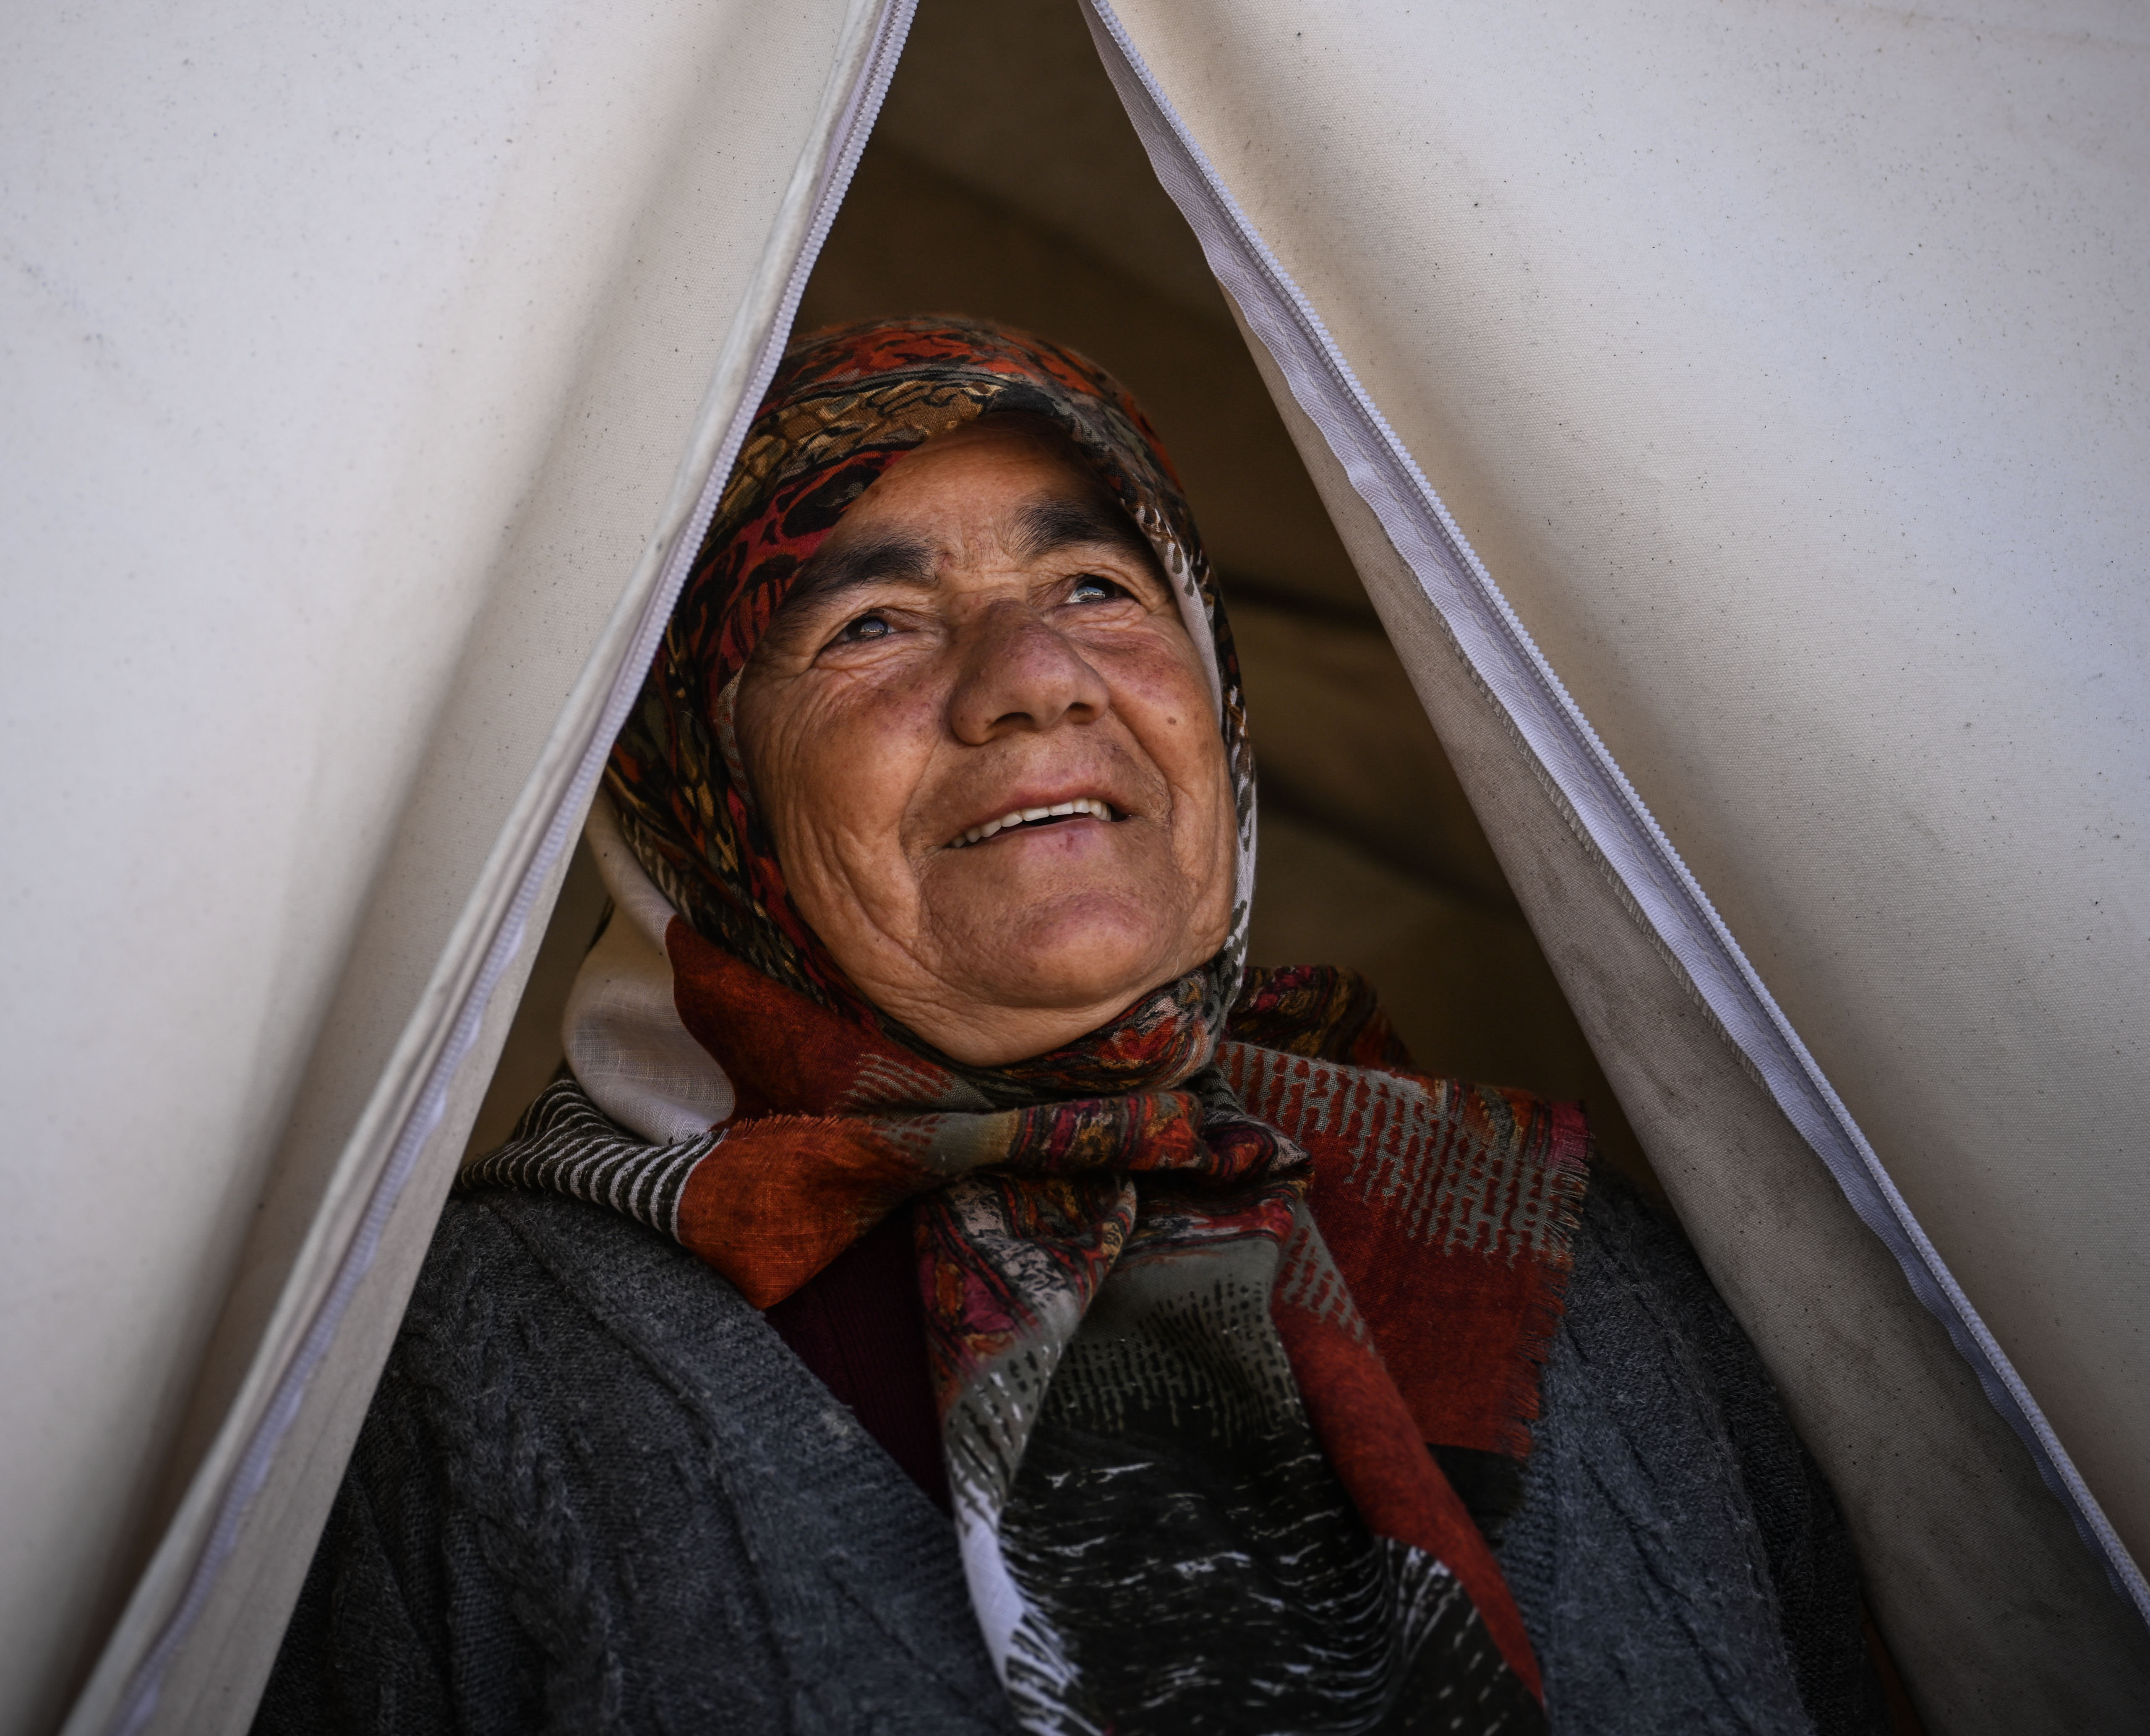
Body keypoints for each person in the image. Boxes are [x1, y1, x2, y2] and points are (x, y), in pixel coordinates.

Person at [258, 318, 1888, 1735]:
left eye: (1099, 585)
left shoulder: (1557, 1250)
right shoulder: (484, 1361)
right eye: (872, 625)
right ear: (698, 791)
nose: (1034, 677)